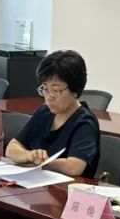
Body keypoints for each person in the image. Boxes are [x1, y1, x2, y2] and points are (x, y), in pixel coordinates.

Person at [6, 49, 100, 177]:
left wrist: (44, 161)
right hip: (37, 183)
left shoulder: (85, 122)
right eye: (45, 89)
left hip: (69, 187)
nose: (49, 97)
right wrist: (30, 155)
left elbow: (74, 167)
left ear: (75, 89)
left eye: (55, 90)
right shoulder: (43, 112)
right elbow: (11, 148)